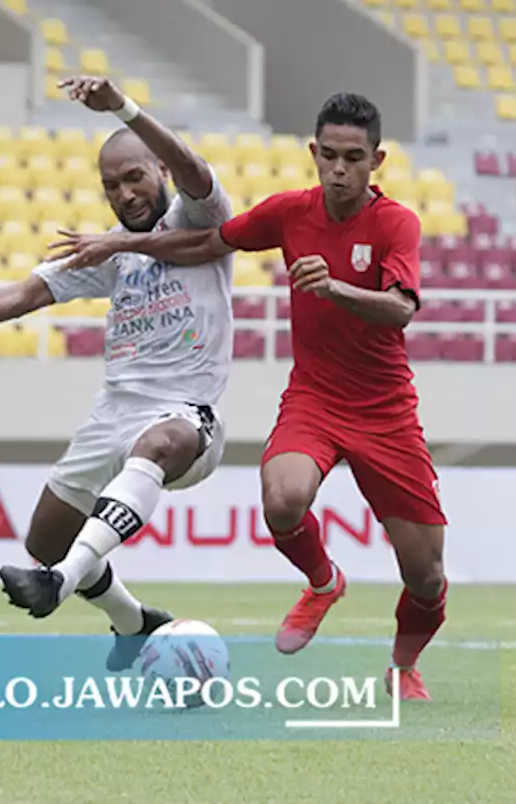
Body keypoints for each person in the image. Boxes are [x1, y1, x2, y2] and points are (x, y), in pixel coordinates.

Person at [43, 92, 446, 700]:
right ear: (313, 153)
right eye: (329, 155)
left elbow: (401, 311)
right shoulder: (289, 213)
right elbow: (206, 244)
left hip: (387, 411)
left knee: (425, 576)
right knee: (282, 501)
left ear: (376, 160)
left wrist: (334, 289)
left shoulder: (396, 224)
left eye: (354, 158)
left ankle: (402, 666)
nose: (339, 169)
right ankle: (322, 581)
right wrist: (120, 244)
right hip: (314, 398)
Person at [0, 75, 235, 671]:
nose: (125, 194)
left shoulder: (199, 214)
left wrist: (121, 108)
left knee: (157, 445)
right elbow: (20, 296)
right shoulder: (107, 251)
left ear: (159, 174)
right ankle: (132, 621)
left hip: (186, 416)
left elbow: (191, 164)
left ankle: (60, 584)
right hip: (113, 414)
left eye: (135, 177)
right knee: (43, 541)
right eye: (111, 186)